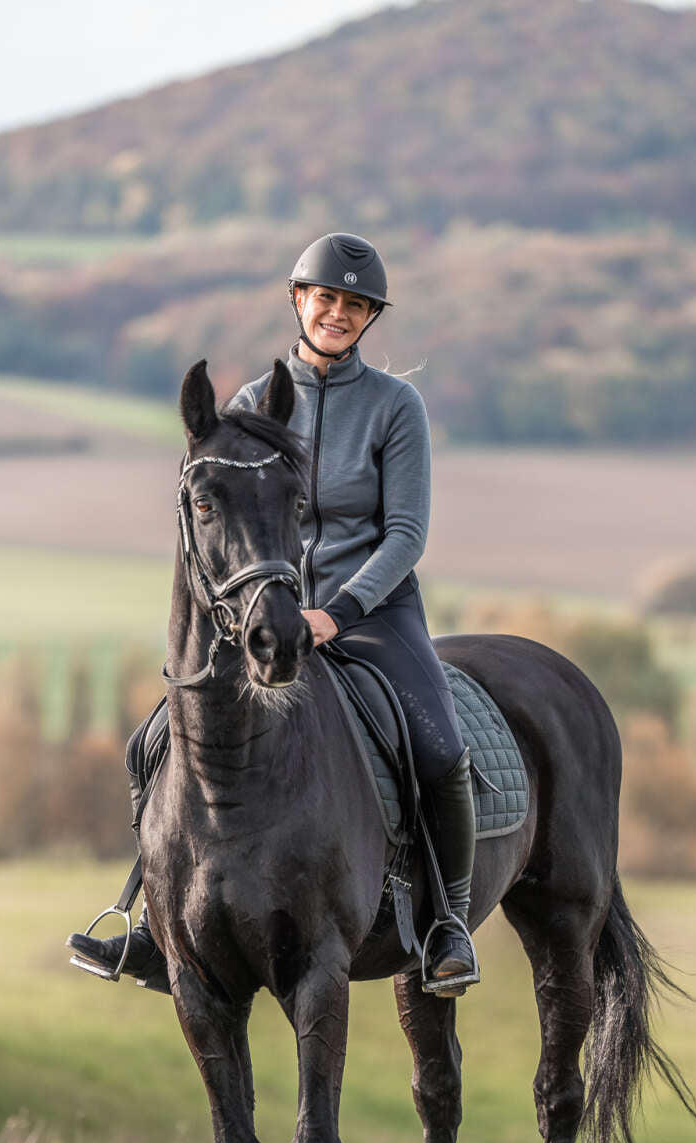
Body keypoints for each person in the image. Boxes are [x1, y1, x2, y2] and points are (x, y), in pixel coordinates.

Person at [68, 232, 478, 994]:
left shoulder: (395, 407)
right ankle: (158, 926)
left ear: (368, 318)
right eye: (326, 299)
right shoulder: (255, 405)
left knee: (439, 747)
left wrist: (340, 610)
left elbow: (406, 534)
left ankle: (447, 920)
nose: (338, 313)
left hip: (374, 612)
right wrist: (263, 606)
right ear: (299, 301)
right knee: (147, 747)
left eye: (354, 305)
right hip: (262, 615)